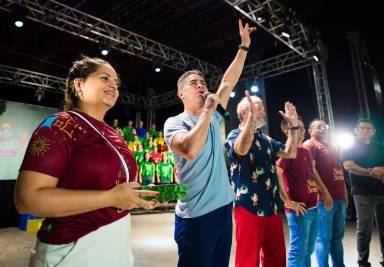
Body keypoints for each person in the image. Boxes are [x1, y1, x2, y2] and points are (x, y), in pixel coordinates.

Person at [14, 56, 160, 267]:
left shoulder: (113, 134)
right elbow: (27, 199)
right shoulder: (57, 126)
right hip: (72, 251)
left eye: (116, 82)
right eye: (104, 78)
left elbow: (118, 189)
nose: (113, 85)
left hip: (117, 245)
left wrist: (139, 195)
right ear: (79, 84)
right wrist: (110, 198)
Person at [164, 19, 256, 267]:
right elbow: (191, 149)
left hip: (224, 209)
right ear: (180, 94)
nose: (201, 85)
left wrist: (243, 46)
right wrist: (207, 111)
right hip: (196, 216)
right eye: (193, 83)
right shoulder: (175, 123)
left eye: (203, 82)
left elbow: (228, 81)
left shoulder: (214, 114)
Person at [225, 91, 299, 267]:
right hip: (248, 207)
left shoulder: (266, 139)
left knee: (276, 259)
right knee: (247, 260)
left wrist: (294, 128)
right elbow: (241, 150)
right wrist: (251, 120)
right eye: (259, 109)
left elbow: (291, 152)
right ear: (244, 113)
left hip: (272, 207)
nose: (264, 113)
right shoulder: (234, 135)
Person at [276, 117, 333, 267]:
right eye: (297, 127)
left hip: (313, 208)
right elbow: (277, 172)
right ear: (286, 131)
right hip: (299, 210)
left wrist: (323, 192)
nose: (301, 131)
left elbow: (312, 174)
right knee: (298, 251)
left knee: (308, 251)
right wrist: (288, 202)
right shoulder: (287, 152)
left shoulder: (305, 151)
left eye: (301, 127)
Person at [342, 119, 384, 267]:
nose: (365, 130)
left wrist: (383, 170)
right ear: (356, 130)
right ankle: (363, 262)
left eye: (369, 129)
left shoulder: (380, 148)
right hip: (362, 192)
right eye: (362, 128)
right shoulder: (350, 147)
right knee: (364, 229)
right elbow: (349, 166)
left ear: (373, 132)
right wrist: (372, 173)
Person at [303, 119, 348, 267]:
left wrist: (345, 194)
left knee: (337, 238)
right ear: (310, 131)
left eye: (325, 126)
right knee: (323, 238)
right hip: (323, 200)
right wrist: (325, 193)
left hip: (339, 199)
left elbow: (339, 170)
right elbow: (311, 170)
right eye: (318, 127)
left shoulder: (332, 147)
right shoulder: (310, 145)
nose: (323, 129)